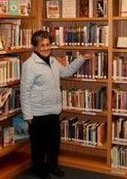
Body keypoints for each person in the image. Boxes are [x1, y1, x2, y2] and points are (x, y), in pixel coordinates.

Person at [20, 30, 91, 179]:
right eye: (42, 45)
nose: (46, 48)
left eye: (48, 45)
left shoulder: (52, 61)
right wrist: (27, 115)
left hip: (54, 111)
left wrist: (81, 59)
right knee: (39, 146)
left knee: (53, 144)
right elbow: (24, 92)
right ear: (35, 47)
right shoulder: (29, 65)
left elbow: (65, 72)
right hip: (38, 113)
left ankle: (52, 166)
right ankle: (39, 170)